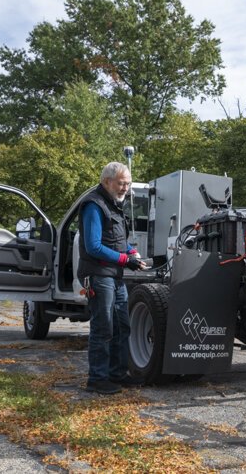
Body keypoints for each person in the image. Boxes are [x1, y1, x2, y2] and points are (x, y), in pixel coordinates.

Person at [78, 161, 146, 394]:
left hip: (114, 276)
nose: (125, 188)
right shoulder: (93, 206)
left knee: (122, 326)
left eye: (127, 183)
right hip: (98, 276)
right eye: (121, 183)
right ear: (106, 182)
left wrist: (131, 251)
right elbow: (94, 246)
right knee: (103, 328)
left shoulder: (114, 205)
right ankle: (97, 379)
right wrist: (125, 260)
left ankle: (117, 374)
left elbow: (116, 239)